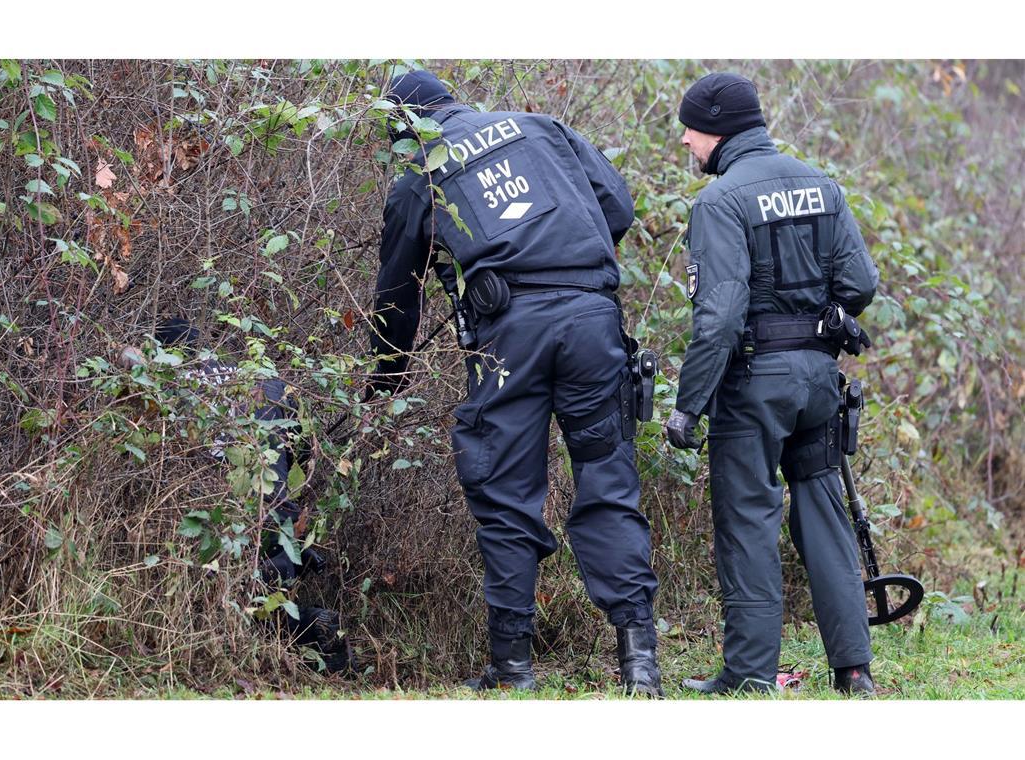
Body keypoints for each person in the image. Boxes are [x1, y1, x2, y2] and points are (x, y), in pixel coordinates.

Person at [369, 69, 662, 695]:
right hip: (592, 319)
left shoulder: (420, 174)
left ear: (403, 128)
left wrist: (385, 379)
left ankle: (513, 669)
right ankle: (640, 663)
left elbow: (397, 295)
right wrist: (568, 261)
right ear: (452, 101)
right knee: (608, 478)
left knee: (504, 491)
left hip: (511, 335)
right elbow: (617, 205)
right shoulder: (541, 127)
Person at [663, 73, 880, 696]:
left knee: (747, 521)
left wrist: (688, 407)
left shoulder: (721, 201)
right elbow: (861, 285)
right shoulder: (821, 185)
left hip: (755, 385)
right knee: (823, 512)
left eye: (690, 129)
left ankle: (750, 674)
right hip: (819, 380)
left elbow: (719, 318)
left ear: (717, 128)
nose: (685, 141)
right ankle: (854, 669)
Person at [127, 318, 354, 674]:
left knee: (250, 597)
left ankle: (307, 629)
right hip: (277, 496)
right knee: (271, 580)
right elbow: (303, 453)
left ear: (165, 353)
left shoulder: (171, 382)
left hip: (229, 503)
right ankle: (316, 636)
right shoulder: (253, 375)